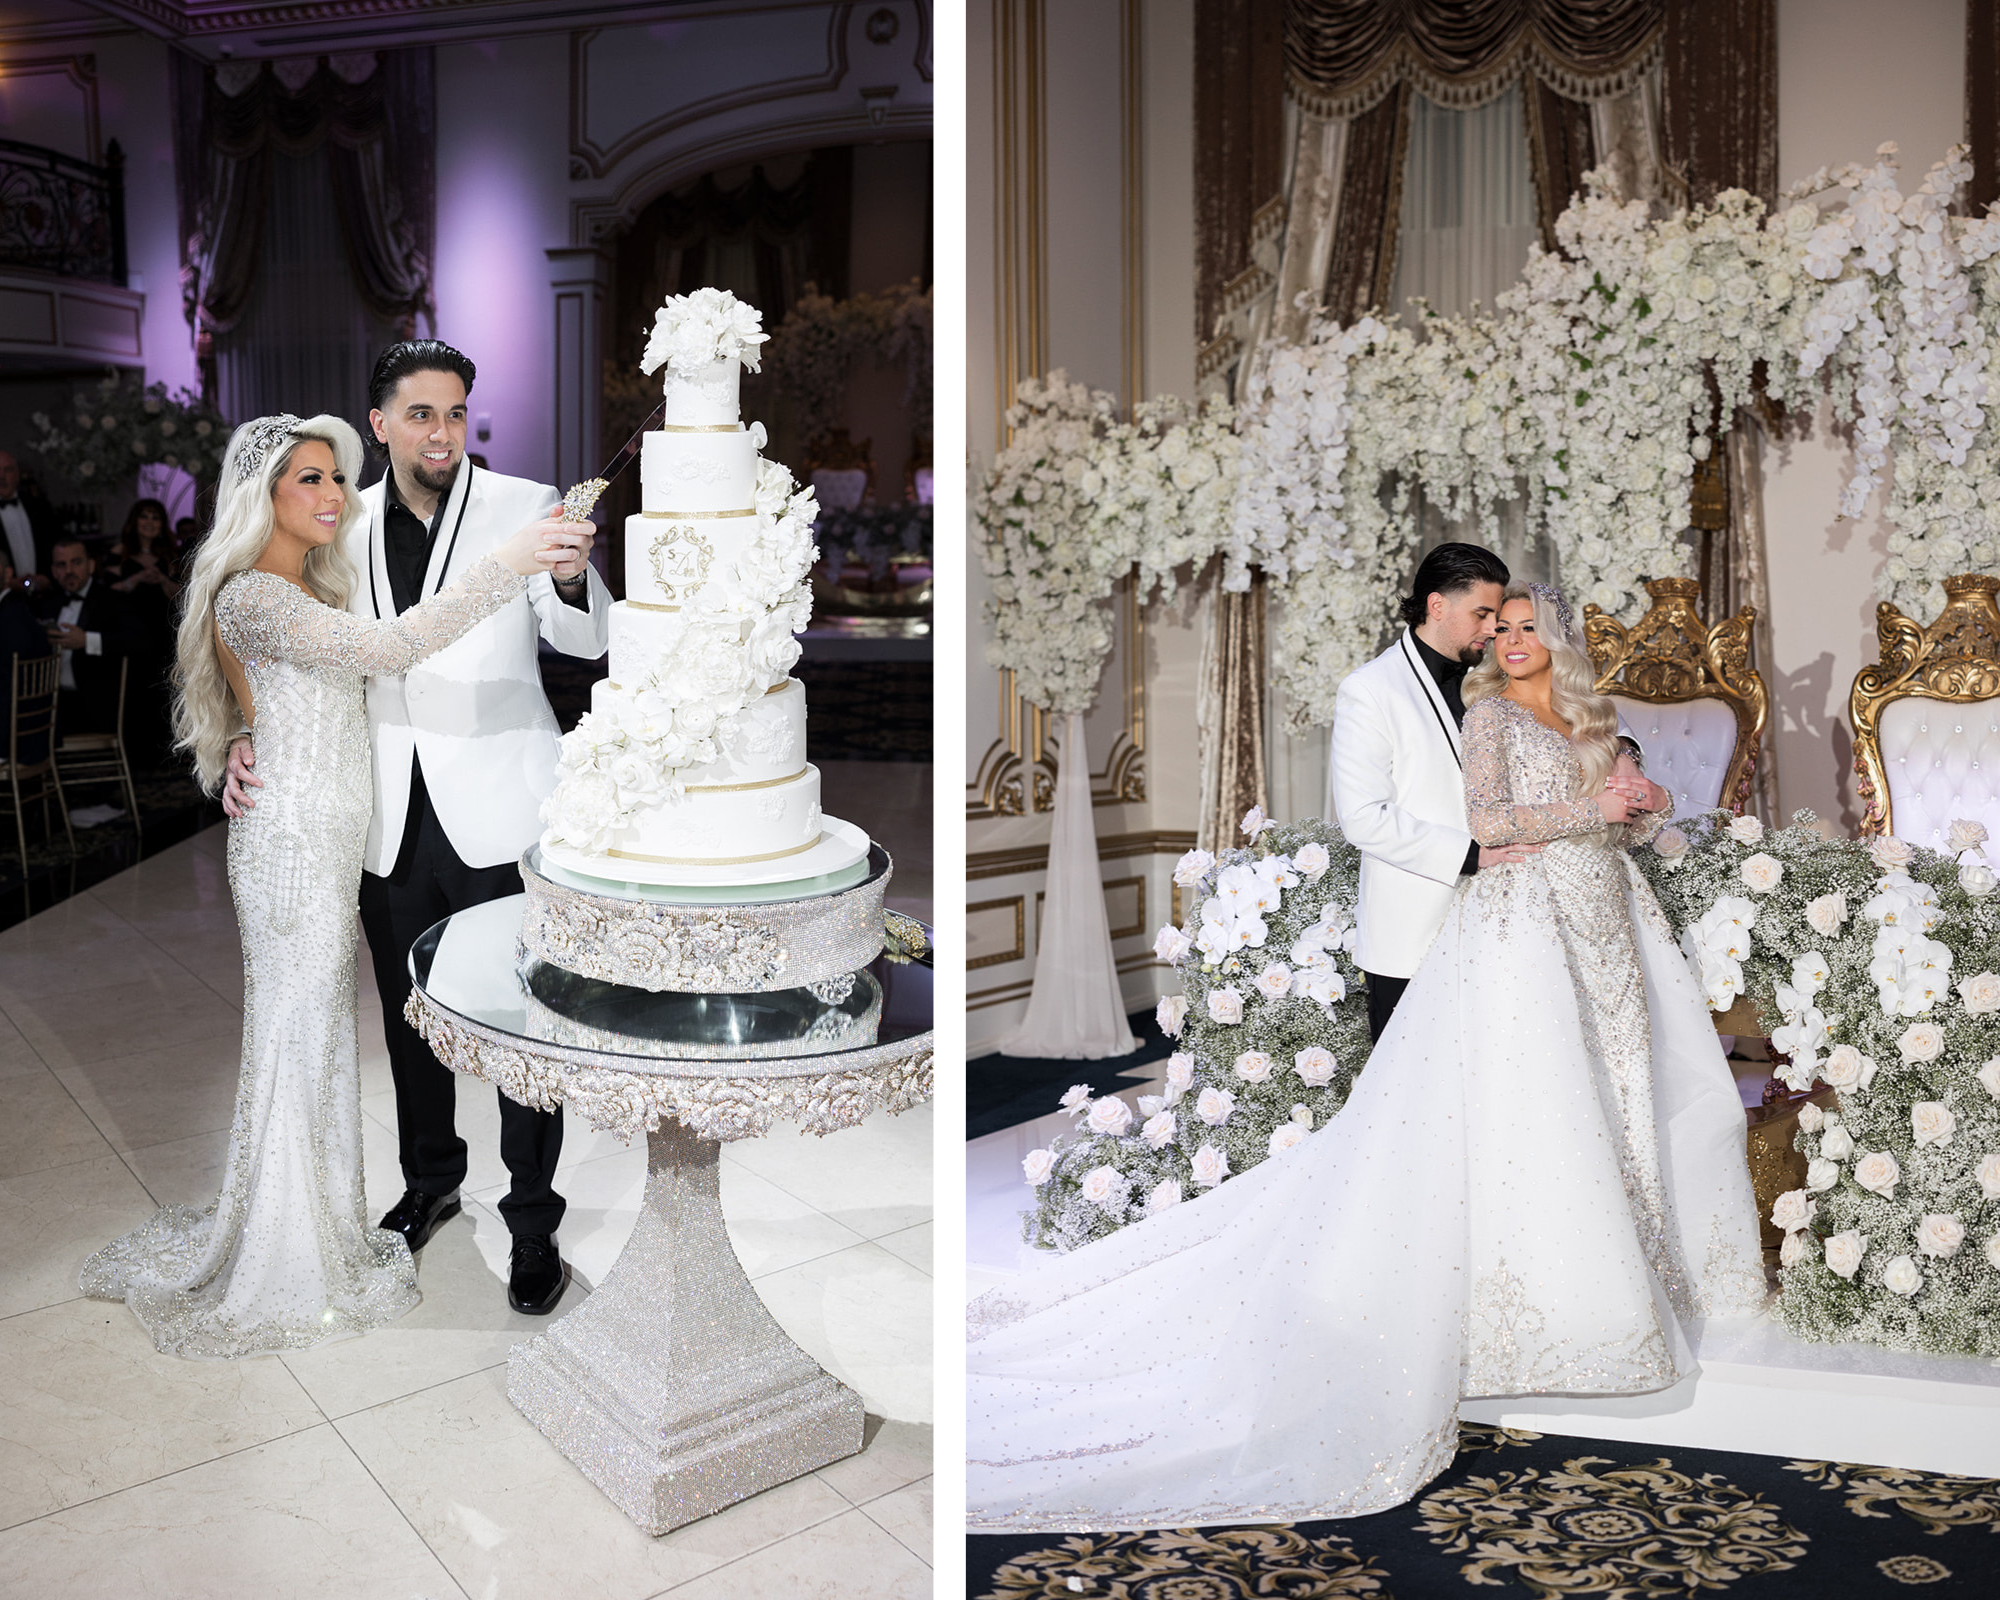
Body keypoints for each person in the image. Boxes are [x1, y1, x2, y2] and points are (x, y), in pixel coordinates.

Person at [965, 581, 1765, 1531]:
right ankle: (1554, 1315)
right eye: (1496, 629)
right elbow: (1493, 824)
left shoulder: (1594, 715)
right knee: (1543, 1110)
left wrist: (1645, 795)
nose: (1508, 643)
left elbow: (1632, 816)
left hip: (1611, 924)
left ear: (1559, 641)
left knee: (1628, 1092)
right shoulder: (1493, 719)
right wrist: (1597, 803)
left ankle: (1653, 1268)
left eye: (1524, 629)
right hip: (1526, 929)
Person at [78, 413, 584, 1358]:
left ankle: (305, 1224)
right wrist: (509, 563)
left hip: (331, 830)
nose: (331, 496)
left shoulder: (302, 581)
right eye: (308, 480)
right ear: (262, 494)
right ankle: (284, 1250)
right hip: (296, 839)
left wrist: (240, 737)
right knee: (296, 1031)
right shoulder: (256, 594)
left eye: (334, 480)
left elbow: (277, 698)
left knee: (310, 1032)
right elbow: (390, 652)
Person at [222, 341, 610, 1316]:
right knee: (411, 1023)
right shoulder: (332, 524)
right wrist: (242, 733)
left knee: (525, 1026)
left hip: (504, 801)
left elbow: (585, 638)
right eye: (422, 415)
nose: (443, 433)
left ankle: (533, 1222)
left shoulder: (525, 504)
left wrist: (568, 581)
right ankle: (430, 1178)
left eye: (456, 413)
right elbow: (276, 641)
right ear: (382, 423)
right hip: (382, 807)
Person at [103, 498, 183, 767]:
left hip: (162, 631)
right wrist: (136, 579)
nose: (149, 523)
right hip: (130, 631)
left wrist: (160, 579)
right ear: (134, 521)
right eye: (144, 517)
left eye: (155, 518)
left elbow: (182, 596)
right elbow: (106, 591)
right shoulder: (119, 552)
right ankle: (132, 754)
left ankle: (161, 756)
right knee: (132, 689)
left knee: (163, 688)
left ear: (161, 525)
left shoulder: (170, 555)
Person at [43, 536, 130, 739]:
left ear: (91, 565)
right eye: (61, 565)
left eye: (76, 562)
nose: (69, 571)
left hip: (97, 704)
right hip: (54, 705)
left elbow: (138, 641)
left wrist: (87, 641)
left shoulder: (112, 601)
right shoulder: (48, 604)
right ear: (54, 571)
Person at [0, 551, 54, 767]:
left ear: (7, 574)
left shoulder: (11, 620)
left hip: (15, 740)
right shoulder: (14, 611)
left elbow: (6, 688)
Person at [0, 451, 60, 594]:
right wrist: (6, 582)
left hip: (43, 595)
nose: (1, 476)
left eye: (7, 470)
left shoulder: (39, 506)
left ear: (17, 474)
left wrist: (47, 577)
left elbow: (54, 544)